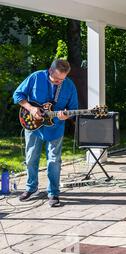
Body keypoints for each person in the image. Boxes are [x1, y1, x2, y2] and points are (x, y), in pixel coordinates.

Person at [13, 59, 78, 207]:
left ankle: (53, 193)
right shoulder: (35, 77)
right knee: (30, 158)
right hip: (32, 126)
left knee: (54, 161)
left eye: (62, 79)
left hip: (56, 128)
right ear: (50, 70)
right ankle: (31, 188)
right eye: (56, 79)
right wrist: (31, 108)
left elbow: (73, 109)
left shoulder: (69, 85)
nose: (58, 82)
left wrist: (66, 115)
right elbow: (18, 95)